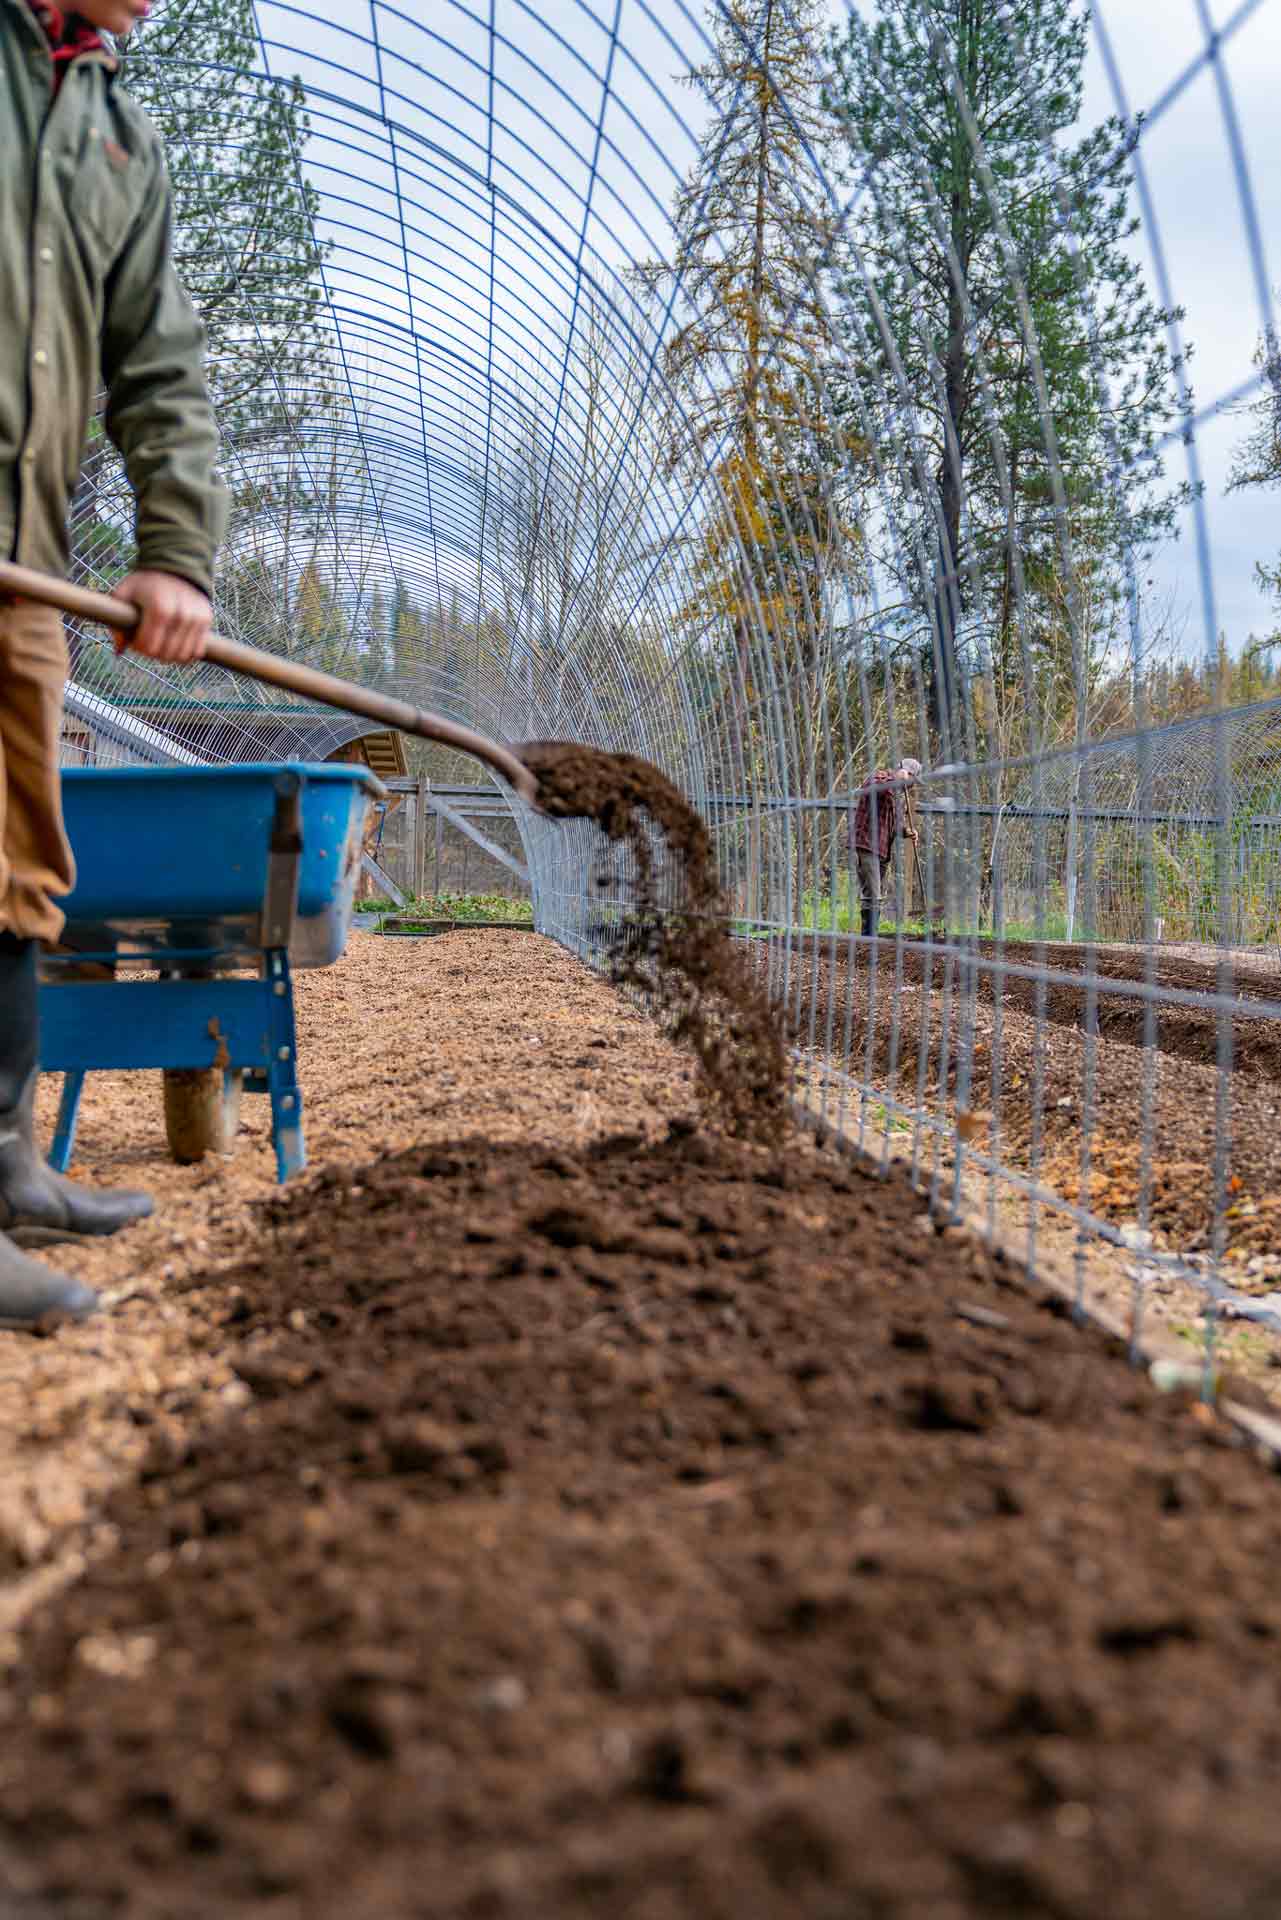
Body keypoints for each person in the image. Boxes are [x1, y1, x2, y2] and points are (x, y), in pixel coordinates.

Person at [1, 0, 228, 1324]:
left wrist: (176, 554)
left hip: (23, 548)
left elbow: (159, 362)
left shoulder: (117, 136)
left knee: (21, 862)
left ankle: (7, 1164)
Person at [849, 757, 922, 939]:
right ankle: (869, 939)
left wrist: (908, 831)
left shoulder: (896, 798)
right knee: (874, 894)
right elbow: (870, 786)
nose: (912, 785)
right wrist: (896, 779)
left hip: (882, 850)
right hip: (867, 844)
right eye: (912, 780)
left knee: (872, 894)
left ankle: (868, 939)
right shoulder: (880, 778)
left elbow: (894, 827)